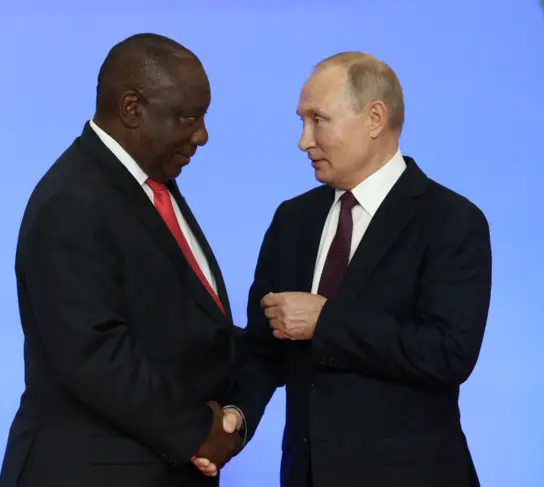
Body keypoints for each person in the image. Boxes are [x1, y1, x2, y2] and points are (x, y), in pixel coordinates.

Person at [193, 52, 492, 486]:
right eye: (301, 121)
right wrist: (236, 418)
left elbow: (449, 352)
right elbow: (262, 347)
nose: (303, 140)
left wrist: (325, 321)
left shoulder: (451, 220)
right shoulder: (292, 219)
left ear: (374, 118)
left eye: (318, 120)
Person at [0, 33, 243, 487]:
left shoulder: (149, 186)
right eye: (188, 118)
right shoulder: (71, 201)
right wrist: (197, 432)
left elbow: (183, 327)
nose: (202, 135)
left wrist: (237, 409)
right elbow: (94, 353)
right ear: (133, 109)